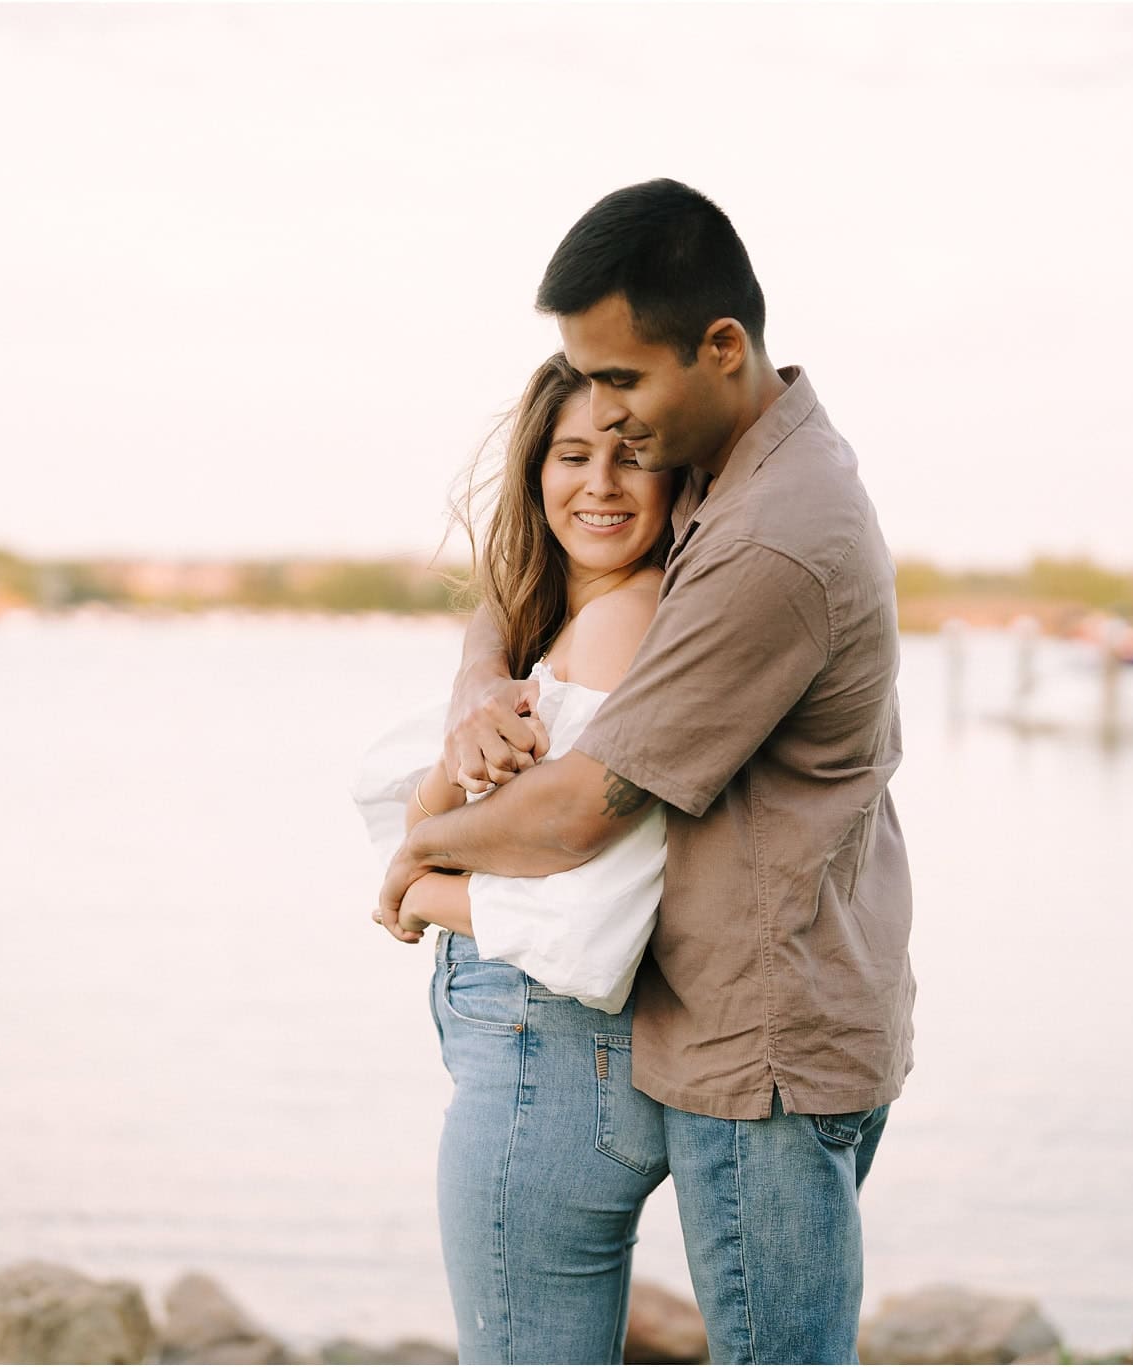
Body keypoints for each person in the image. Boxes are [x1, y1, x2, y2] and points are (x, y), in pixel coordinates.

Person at [375, 179, 916, 1365]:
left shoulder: (766, 536)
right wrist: (479, 685)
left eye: (623, 386)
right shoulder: (739, 473)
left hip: (751, 1044)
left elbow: (578, 814)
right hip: (732, 1019)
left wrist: (417, 855)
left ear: (719, 347)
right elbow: (533, 584)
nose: (611, 443)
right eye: (580, 414)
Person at [350, 352, 683, 1363]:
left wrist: (424, 885)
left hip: (548, 1054)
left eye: (634, 456)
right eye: (571, 454)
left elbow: (591, 913)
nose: (600, 482)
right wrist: (475, 684)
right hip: (563, 1057)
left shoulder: (624, 619)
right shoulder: (581, 616)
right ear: (534, 472)